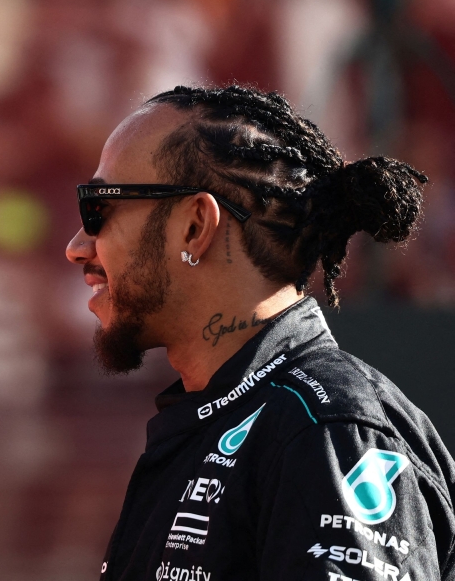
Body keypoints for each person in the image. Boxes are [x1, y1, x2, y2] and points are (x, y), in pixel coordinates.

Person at [66, 84, 455, 581]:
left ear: (194, 227)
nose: (77, 247)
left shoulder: (327, 431)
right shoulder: (226, 416)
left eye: (99, 208)